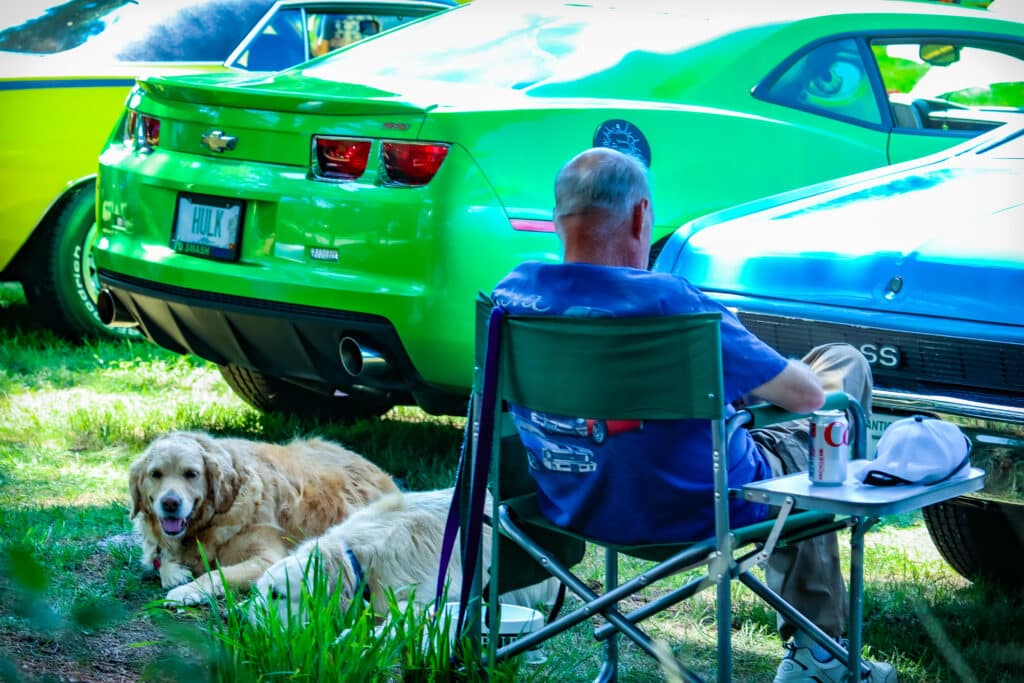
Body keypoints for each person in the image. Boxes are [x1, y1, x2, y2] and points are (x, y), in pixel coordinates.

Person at [491, 147, 895, 683]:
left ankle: (816, 647)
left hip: (573, 503)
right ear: (640, 217)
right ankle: (818, 653)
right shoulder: (670, 303)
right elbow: (804, 398)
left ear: (559, 218)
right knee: (838, 380)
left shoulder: (514, 298)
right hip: (704, 507)